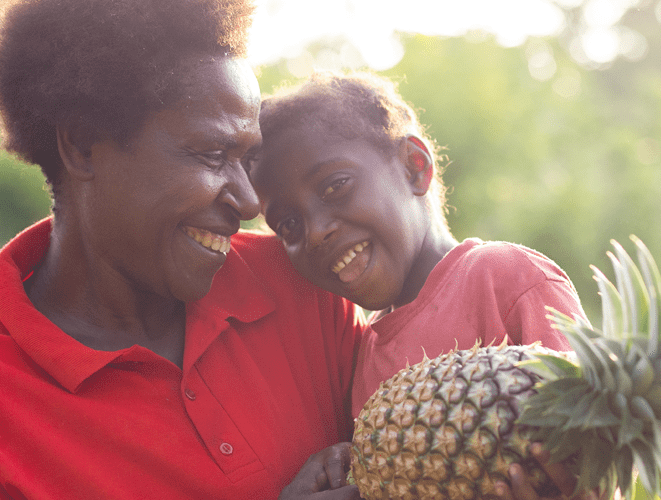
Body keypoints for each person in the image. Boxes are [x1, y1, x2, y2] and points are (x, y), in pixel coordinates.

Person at [0, 1, 365, 498]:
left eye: (249, 159)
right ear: (84, 145)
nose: (248, 200)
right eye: (212, 155)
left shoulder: (304, 291)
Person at [248, 69, 588, 456]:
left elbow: (594, 443)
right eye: (289, 224)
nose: (316, 232)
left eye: (334, 186)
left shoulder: (505, 278)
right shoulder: (364, 356)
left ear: (414, 165)